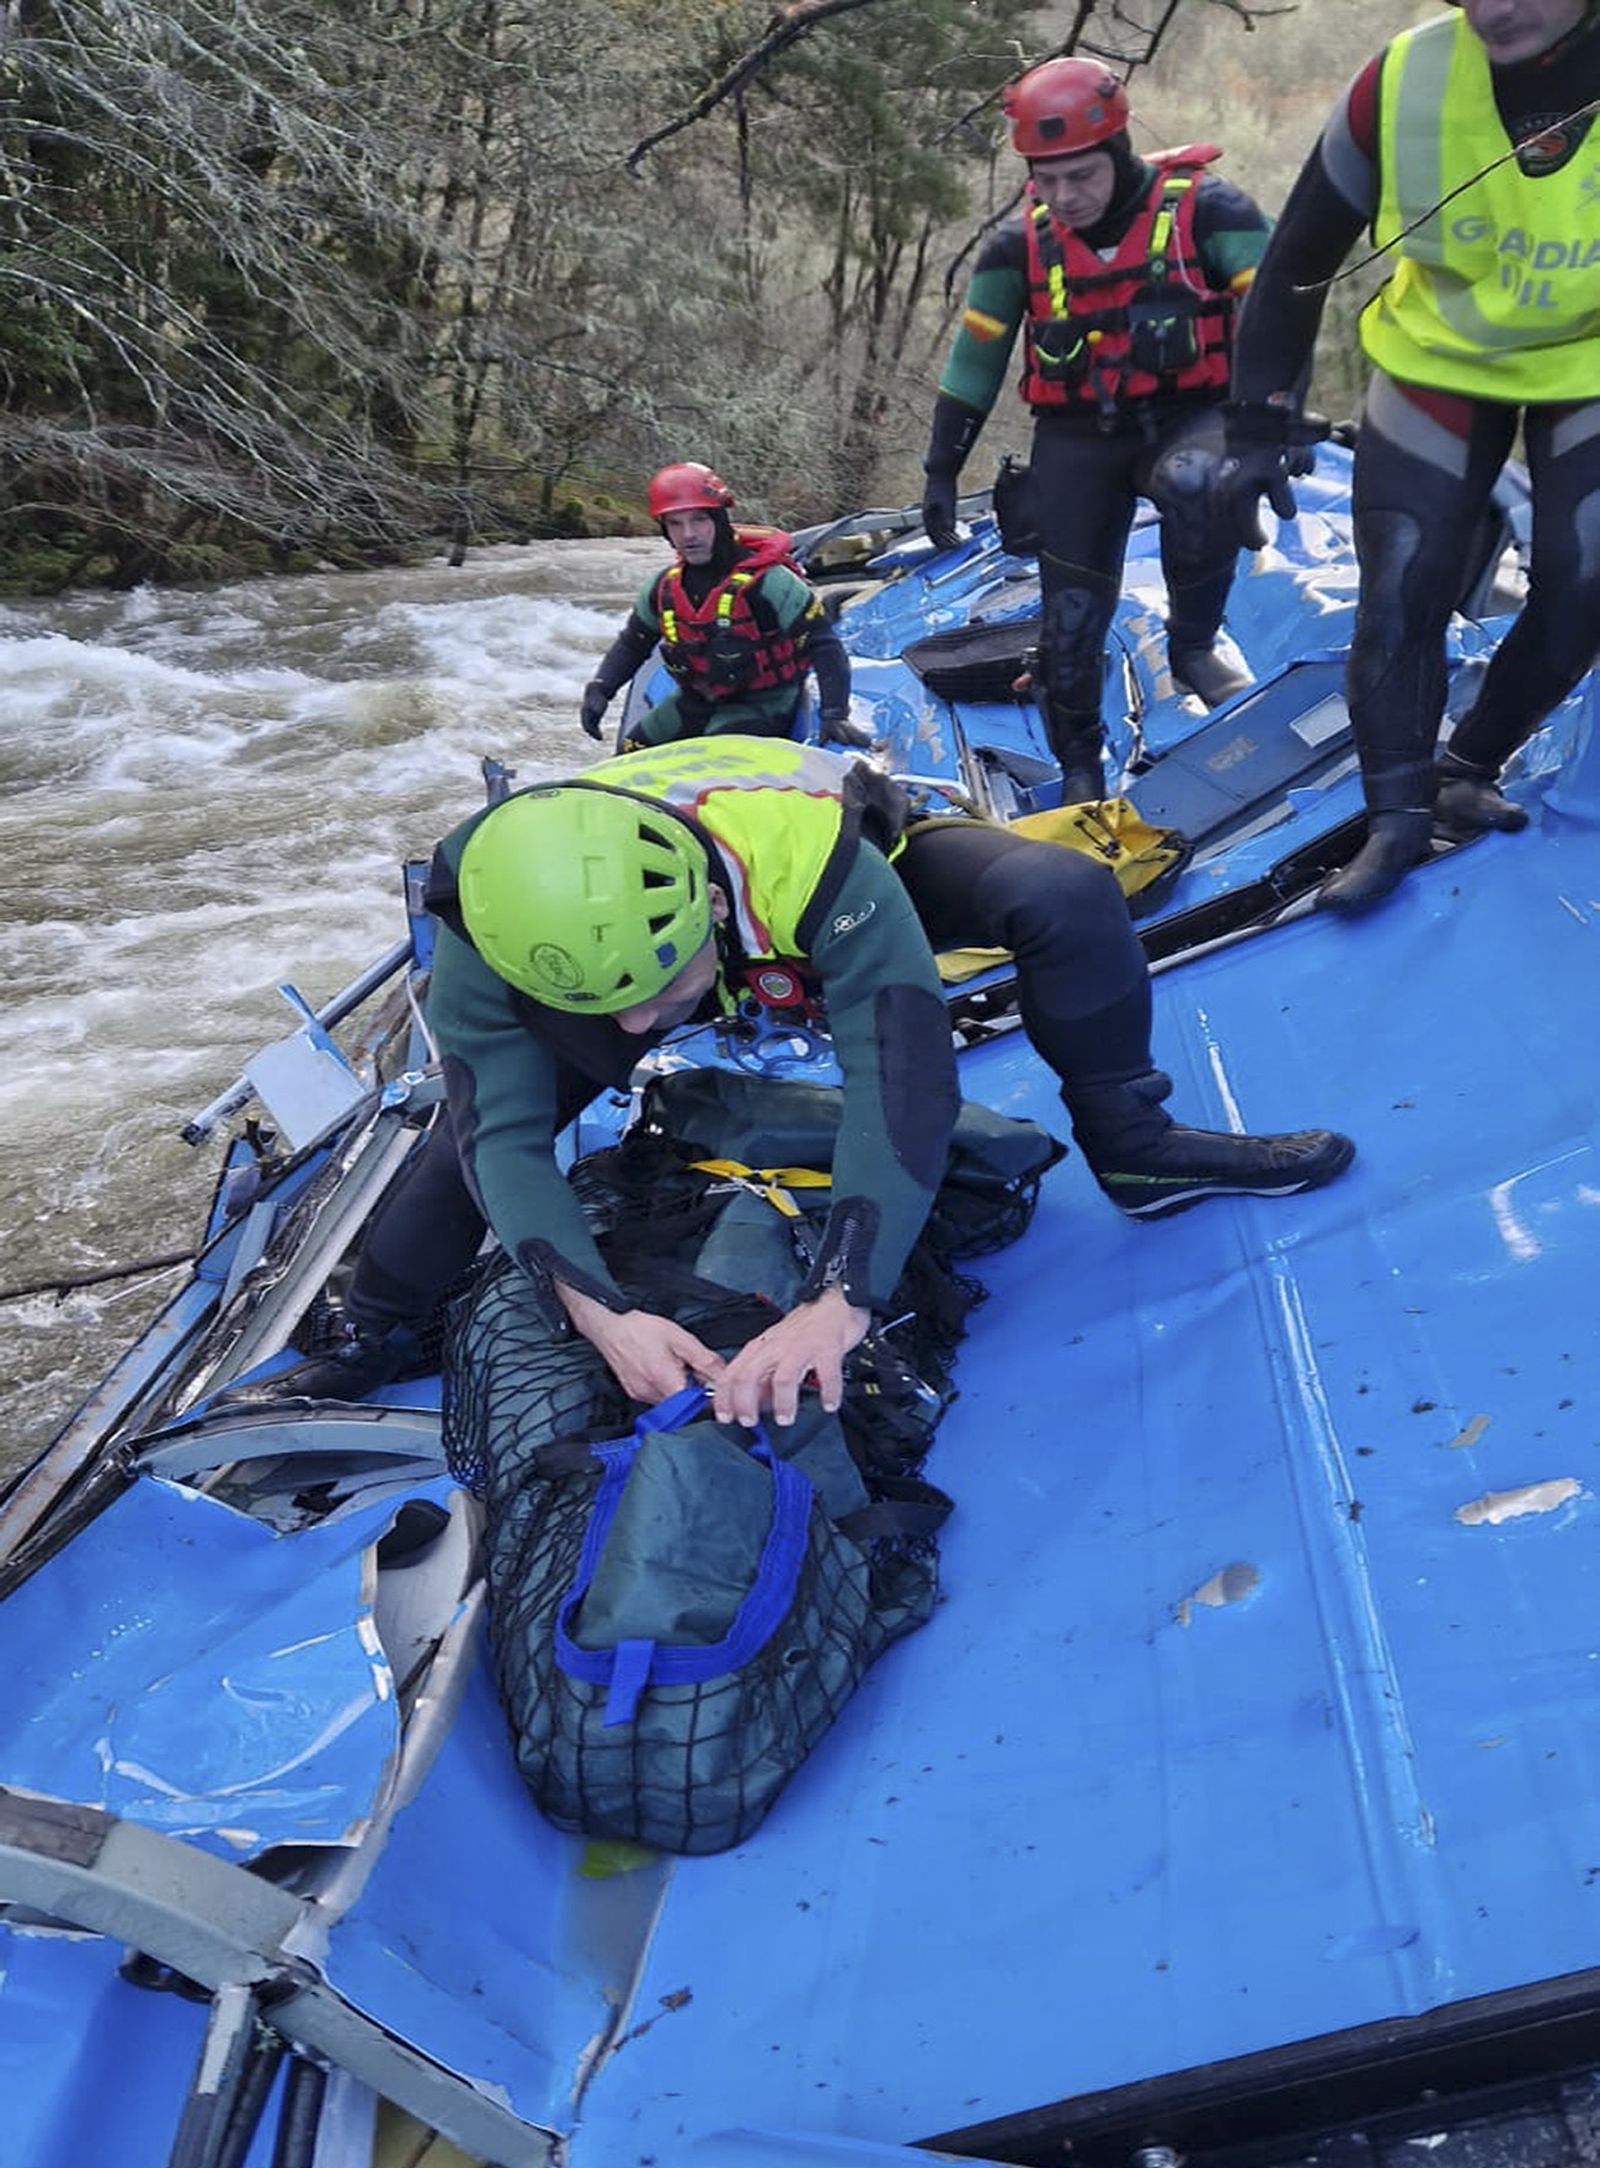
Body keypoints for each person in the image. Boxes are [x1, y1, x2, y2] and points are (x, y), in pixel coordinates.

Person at [294, 738, 1354, 1421]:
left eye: (658, 995)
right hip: (625, 950)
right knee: (461, 1140)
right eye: (610, 1010)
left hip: (818, 900)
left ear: (708, 911)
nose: (635, 1030)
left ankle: (1138, 1147)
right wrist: (602, 1312)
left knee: (1064, 891)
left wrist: (839, 1299)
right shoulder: (483, 919)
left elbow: (901, 1077)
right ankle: (372, 1320)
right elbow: (503, 1140)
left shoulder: (803, 853)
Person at [1219, 0, 1600, 913]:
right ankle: (1395, 820)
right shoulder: (1402, 80)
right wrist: (1257, 424)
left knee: (1587, 576)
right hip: (1441, 358)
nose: (1494, 8)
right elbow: (1297, 259)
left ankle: (1467, 765)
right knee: (1401, 584)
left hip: (1589, 359)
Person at [920, 56, 1277, 802]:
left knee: (1200, 481)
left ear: (1115, 153)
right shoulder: (1018, 247)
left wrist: (1267, 426)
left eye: (1078, 175)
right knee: (1072, 625)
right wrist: (940, 472)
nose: (1062, 196)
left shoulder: (1211, 212)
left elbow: (1285, 307)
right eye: (1044, 180)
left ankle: (1194, 647)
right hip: (1080, 436)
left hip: (1190, 416)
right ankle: (1082, 766)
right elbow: (975, 358)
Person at [580, 462, 871, 751]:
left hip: (763, 703)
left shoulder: (770, 582)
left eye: (699, 520)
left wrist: (834, 715)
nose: (688, 534)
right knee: (632, 749)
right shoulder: (662, 587)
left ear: (719, 520)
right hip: (695, 700)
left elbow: (824, 645)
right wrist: (601, 688)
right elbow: (634, 642)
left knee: (714, 757)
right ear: (665, 530)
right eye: (675, 523)